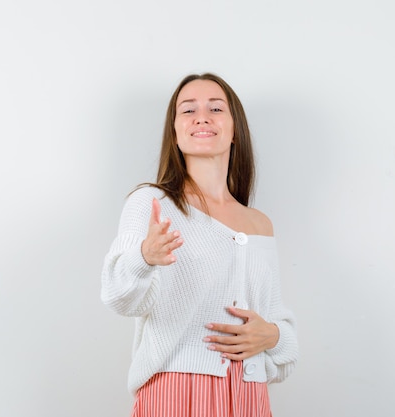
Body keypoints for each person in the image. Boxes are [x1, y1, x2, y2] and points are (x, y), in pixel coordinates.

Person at [101, 73, 298, 417]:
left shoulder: (260, 224)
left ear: (235, 129)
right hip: (176, 394)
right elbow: (119, 296)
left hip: (250, 397)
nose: (202, 117)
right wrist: (144, 258)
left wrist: (274, 337)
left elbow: (282, 335)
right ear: (175, 133)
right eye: (188, 110)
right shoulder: (151, 203)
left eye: (216, 108)